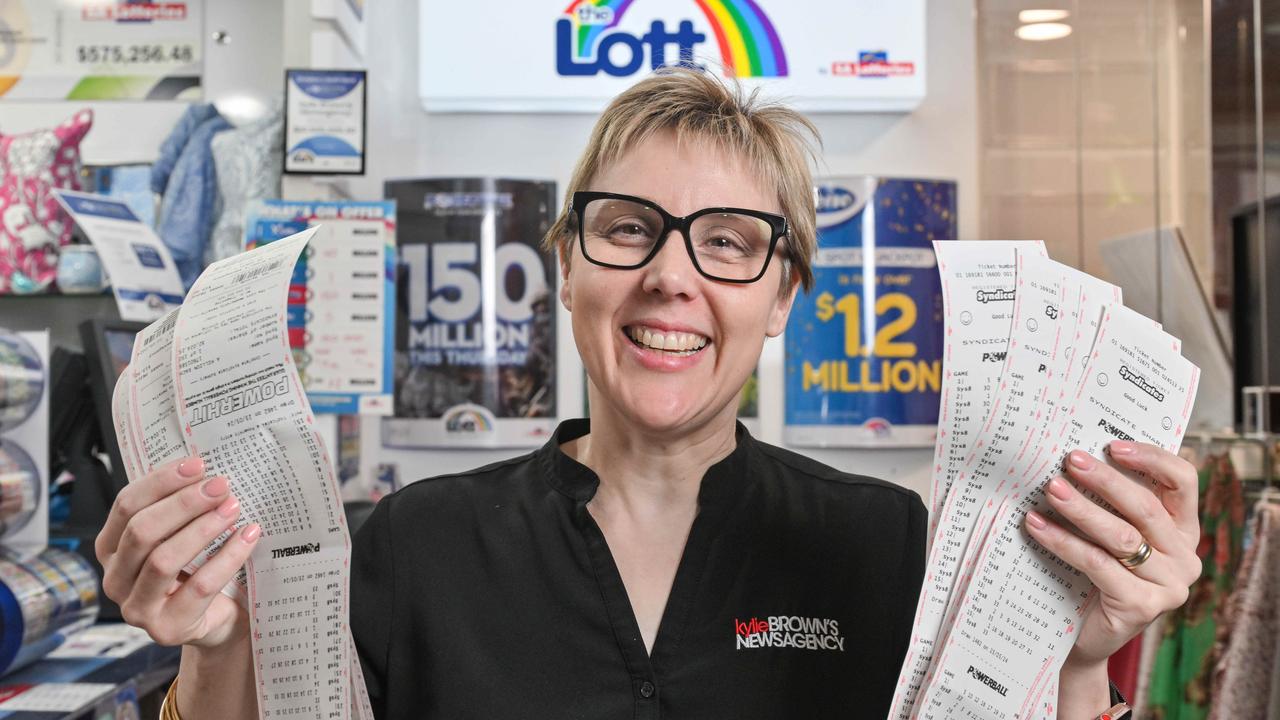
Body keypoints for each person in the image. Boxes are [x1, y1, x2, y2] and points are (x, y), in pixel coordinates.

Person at [94, 68, 1202, 719]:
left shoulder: (886, 543)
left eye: (729, 242)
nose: (671, 275)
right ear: (566, 265)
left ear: (779, 299)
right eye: (629, 229)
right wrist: (217, 649)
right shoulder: (411, 545)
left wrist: (1072, 652)